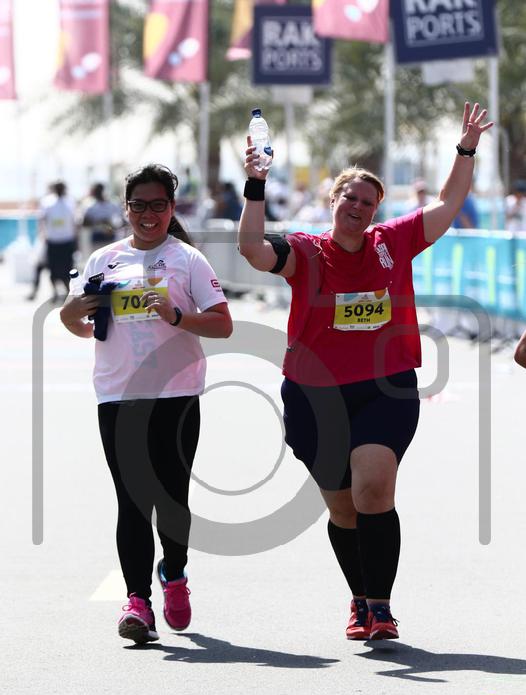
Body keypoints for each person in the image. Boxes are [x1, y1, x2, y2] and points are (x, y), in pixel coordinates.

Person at [238, 102, 492, 641]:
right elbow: (252, 249)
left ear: (377, 210)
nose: (357, 207)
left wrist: (465, 149)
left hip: (384, 388)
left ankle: (381, 606)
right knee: (344, 509)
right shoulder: (305, 251)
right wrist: (255, 185)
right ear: (333, 202)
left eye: (367, 202)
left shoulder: (392, 242)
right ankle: (358, 598)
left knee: (373, 489)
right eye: (349, 198)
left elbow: (448, 203)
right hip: (314, 396)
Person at [60, 163, 233, 644]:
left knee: (172, 500)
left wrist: (178, 317)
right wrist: (70, 315)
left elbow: (222, 324)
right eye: (139, 205)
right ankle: (137, 601)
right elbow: (81, 325)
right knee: (132, 500)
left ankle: (174, 574)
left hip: (176, 395)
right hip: (118, 395)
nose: (148, 214)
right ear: (126, 208)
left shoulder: (188, 260)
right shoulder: (103, 261)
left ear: (172, 208)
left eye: (158, 205)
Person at [28, 181, 77, 302]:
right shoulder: (47, 202)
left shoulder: (70, 201)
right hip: (53, 241)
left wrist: (76, 239)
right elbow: (42, 219)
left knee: (68, 268)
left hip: (67, 241)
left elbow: (75, 221)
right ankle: (55, 292)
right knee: (52, 269)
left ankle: (68, 292)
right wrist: (42, 235)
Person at [81, 182, 124, 254]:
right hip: (97, 238)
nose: (97, 193)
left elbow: (121, 221)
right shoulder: (90, 206)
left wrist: (112, 225)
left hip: (111, 237)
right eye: (96, 191)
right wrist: (99, 222)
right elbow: (84, 224)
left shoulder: (112, 204)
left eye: (99, 190)